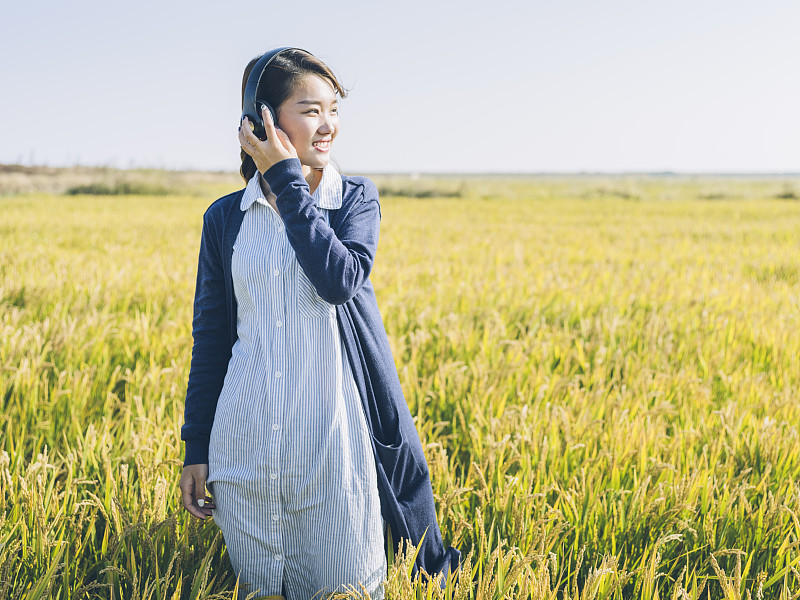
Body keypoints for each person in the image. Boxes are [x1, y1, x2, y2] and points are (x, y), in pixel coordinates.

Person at [179, 48, 459, 600]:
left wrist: (286, 181)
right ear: (264, 119)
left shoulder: (353, 199)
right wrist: (196, 446)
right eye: (310, 109)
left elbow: (338, 280)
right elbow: (211, 339)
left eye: (334, 109)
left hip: (336, 439)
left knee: (346, 587)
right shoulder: (224, 219)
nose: (328, 124)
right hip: (248, 440)